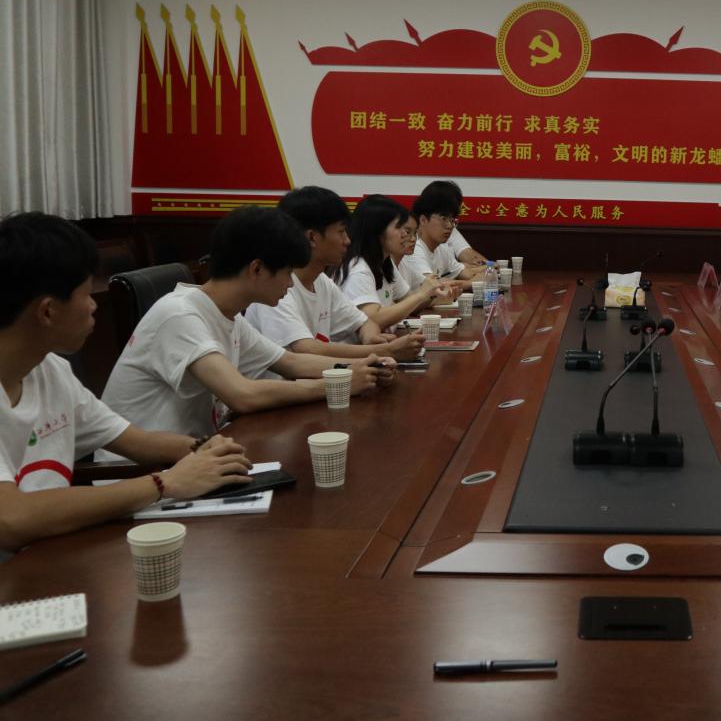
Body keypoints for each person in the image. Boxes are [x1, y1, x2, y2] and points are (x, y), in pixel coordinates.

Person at [0, 213, 252, 553]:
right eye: (86, 294)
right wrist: (164, 483)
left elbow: (137, 441)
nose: (94, 306)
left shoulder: (50, 371)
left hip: (57, 555)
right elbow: (11, 520)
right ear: (47, 311)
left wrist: (202, 450)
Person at [103, 207, 395, 438]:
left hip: (199, 458)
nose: (290, 284)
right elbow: (242, 395)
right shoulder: (180, 315)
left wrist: (364, 367)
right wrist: (339, 384)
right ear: (257, 269)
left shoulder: (228, 315)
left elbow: (291, 362)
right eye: (287, 272)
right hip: (145, 475)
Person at [245, 186, 427, 360]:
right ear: (312, 237)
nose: (347, 241)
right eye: (341, 231)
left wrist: (371, 339)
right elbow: (305, 350)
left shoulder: (321, 281)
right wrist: (382, 350)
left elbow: (364, 322)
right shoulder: (274, 286)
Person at [337, 195, 456, 328]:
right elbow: (372, 319)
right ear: (378, 230)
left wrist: (432, 293)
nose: (410, 238)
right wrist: (421, 294)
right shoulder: (358, 269)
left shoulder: (386, 263)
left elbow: (408, 300)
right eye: (403, 230)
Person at [401, 184, 481, 291]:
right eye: (444, 219)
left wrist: (489, 271)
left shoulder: (440, 248)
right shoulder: (413, 249)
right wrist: (472, 283)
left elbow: (464, 272)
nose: (449, 226)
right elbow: (433, 288)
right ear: (423, 220)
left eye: (452, 220)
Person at [423, 180, 489, 266]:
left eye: (451, 218)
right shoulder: (414, 243)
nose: (449, 226)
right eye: (444, 218)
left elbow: (467, 253)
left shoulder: (450, 227)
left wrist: (491, 267)